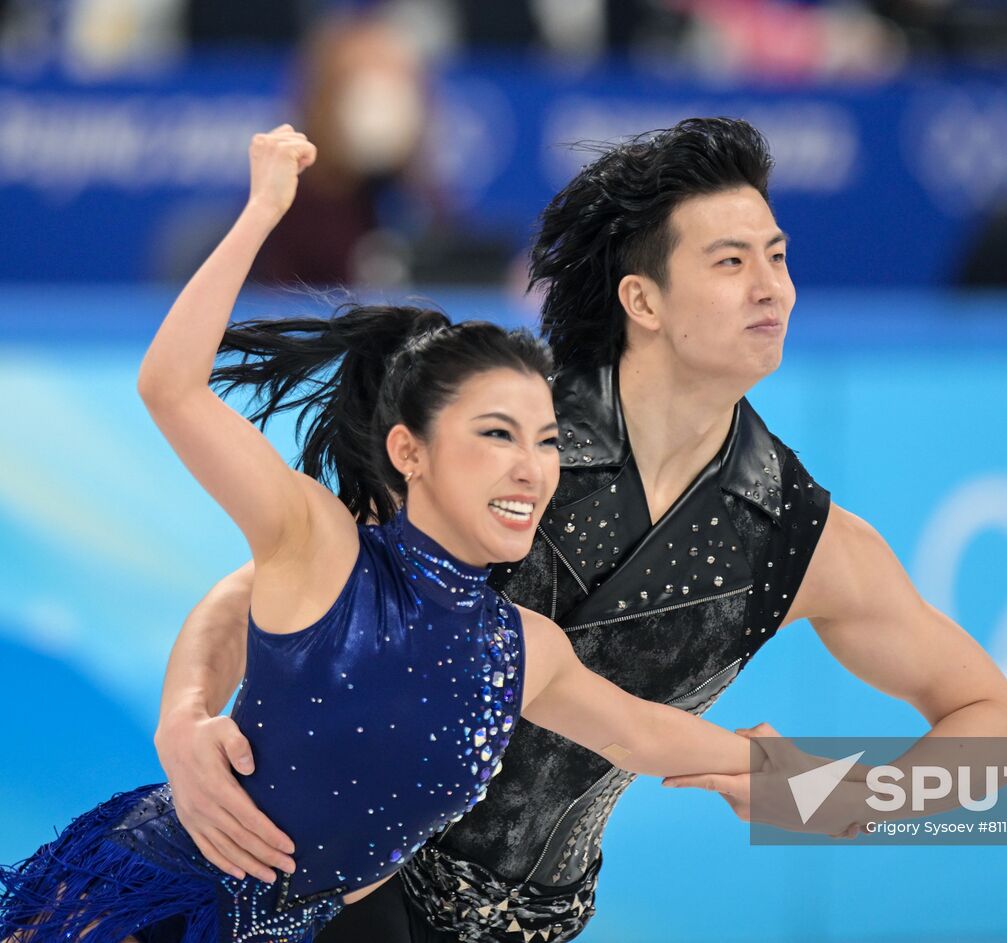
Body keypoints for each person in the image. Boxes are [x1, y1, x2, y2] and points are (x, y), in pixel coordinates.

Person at [156, 118, 1007, 943]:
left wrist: (855, 799)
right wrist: (186, 718)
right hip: (339, 892)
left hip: (534, 923)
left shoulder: (801, 539)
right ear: (641, 299)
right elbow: (276, 580)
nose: (771, 285)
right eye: (731, 261)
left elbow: (1002, 728)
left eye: (777, 256)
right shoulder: (506, 432)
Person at [0, 125, 769, 943]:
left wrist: (825, 790)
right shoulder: (322, 547)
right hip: (149, 907)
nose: (531, 469)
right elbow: (171, 389)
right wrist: (262, 210)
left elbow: (647, 735)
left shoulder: (525, 648)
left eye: (547, 441)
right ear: (410, 451)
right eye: (497, 435)